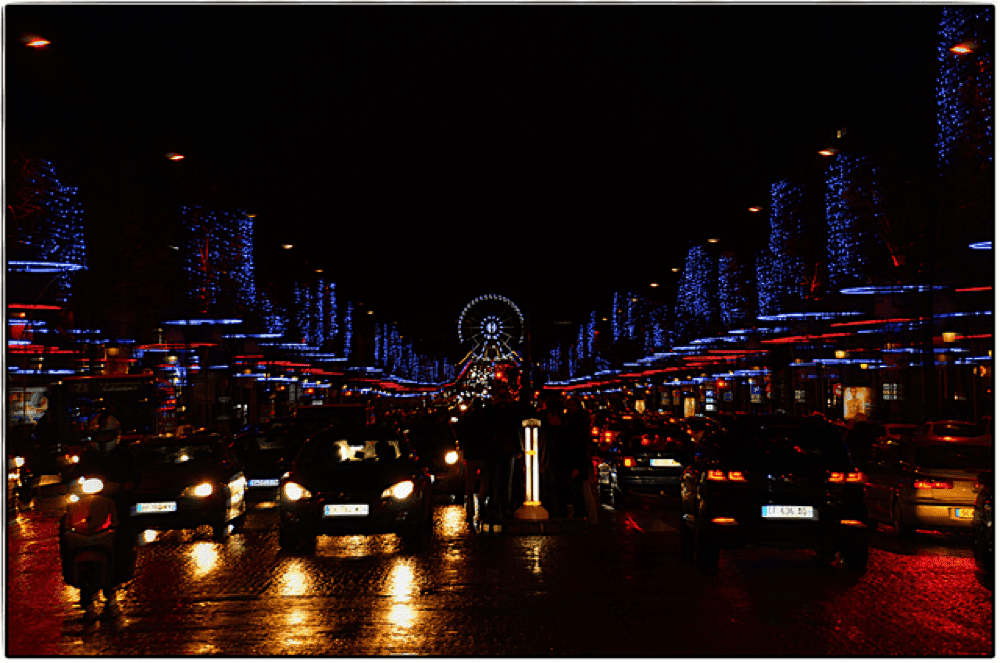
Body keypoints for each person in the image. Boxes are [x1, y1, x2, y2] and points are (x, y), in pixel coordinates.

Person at [68, 412, 141, 620]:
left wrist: (125, 486)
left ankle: (115, 583)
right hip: (88, 508)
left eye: (105, 436)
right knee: (67, 530)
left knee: (124, 538)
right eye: (98, 436)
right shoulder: (87, 457)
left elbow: (135, 477)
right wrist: (66, 485)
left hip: (116, 508)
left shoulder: (125, 456)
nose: (102, 440)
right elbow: (74, 476)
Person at [564, 396, 600, 525]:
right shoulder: (577, 421)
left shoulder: (577, 423)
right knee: (582, 491)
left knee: (581, 491)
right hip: (580, 462)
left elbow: (578, 445)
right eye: (569, 405)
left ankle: (585, 517)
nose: (570, 408)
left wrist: (576, 466)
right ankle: (588, 518)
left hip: (579, 462)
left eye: (573, 405)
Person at [459, 397, 492, 526]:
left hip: (471, 455)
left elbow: (461, 435)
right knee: (485, 482)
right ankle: (482, 504)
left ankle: (470, 511)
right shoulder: (486, 419)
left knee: (470, 486)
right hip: (484, 455)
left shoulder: (467, 419)